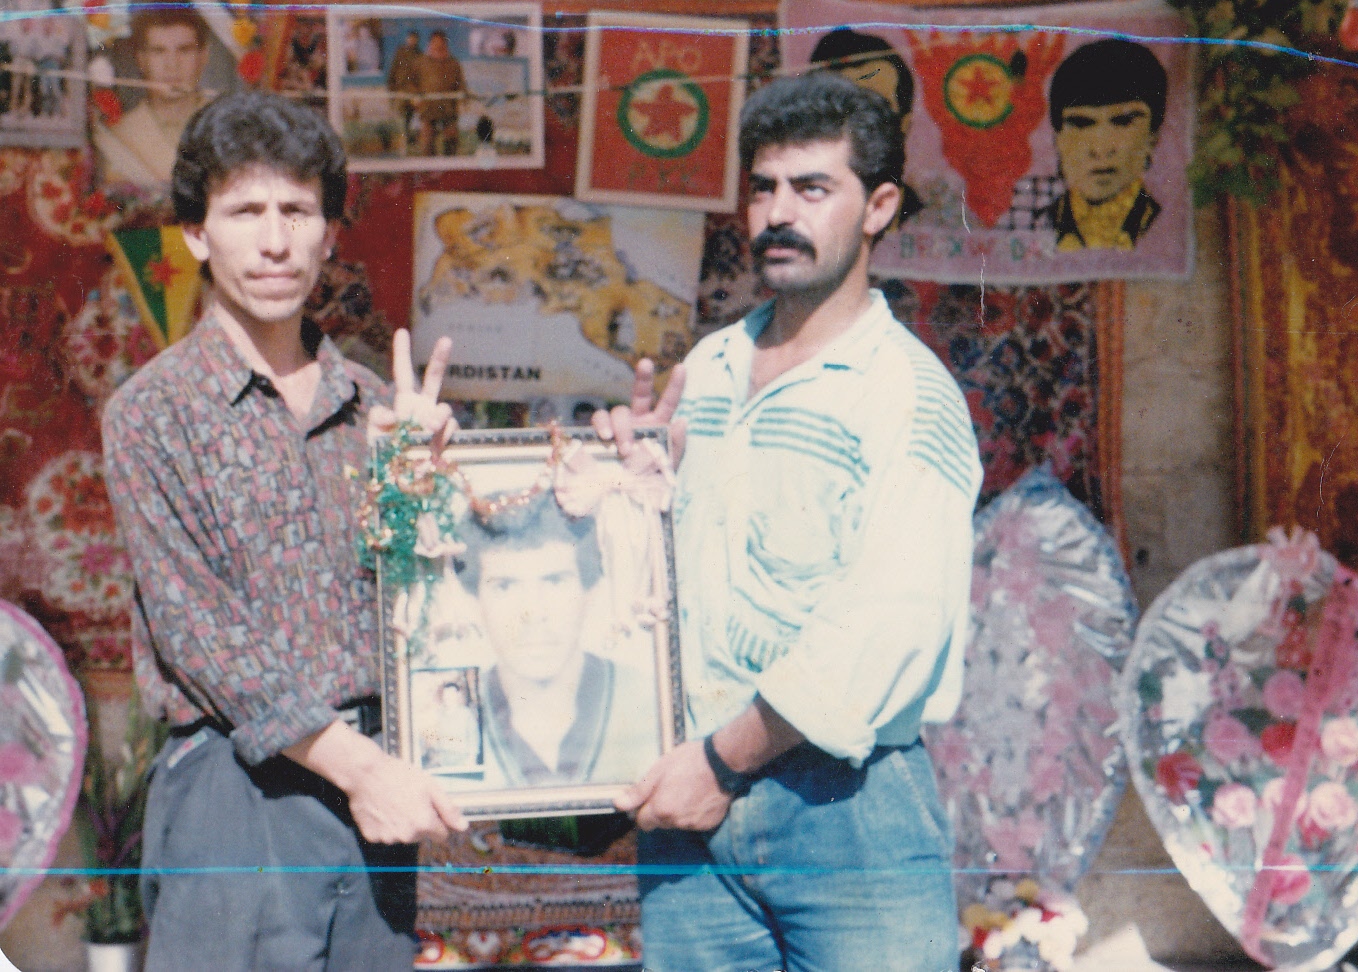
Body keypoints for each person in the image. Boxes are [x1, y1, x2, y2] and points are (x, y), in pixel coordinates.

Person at [595, 73, 980, 971]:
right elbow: (658, 593)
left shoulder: (906, 395)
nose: (778, 214)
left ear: (879, 207)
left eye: (813, 189)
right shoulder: (709, 370)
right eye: (764, 188)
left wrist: (721, 765)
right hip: (694, 818)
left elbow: (885, 626)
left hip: (846, 814)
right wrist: (630, 499)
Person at [101, 89, 467, 971]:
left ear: (330, 233)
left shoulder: (377, 407)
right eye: (245, 212)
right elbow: (201, 632)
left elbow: (422, 613)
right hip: (235, 794)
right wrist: (362, 771)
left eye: (298, 211)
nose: (275, 241)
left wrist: (423, 492)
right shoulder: (153, 412)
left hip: (375, 795)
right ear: (197, 233)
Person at [460, 498, 657, 788]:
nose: (533, 613)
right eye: (505, 586)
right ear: (475, 603)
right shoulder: (447, 712)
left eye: (555, 582)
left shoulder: (649, 699)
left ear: (589, 592)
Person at [1042, 38, 1168, 251]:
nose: (1101, 150)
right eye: (1081, 124)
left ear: (1153, 136)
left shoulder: (1165, 226)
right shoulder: (1041, 223)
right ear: (1057, 139)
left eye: (1123, 122)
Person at [809, 27, 924, 226]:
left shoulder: (929, 220)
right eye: (836, 110)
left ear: (904, 126)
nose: (856, 128)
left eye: (876, 109)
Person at [92, 6, 212, 188]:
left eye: (184, 50)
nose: (172, 65)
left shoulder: (229, 125)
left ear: (203, 56)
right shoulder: (119, 134)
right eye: (158, 51)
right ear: (141, 59)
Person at [415, 30, 464, 157]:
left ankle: (449, 167)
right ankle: (429, 168)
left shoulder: (453, 63)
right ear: (430, 44)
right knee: (427, 143)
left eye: (441, 43)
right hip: (428, 108)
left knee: (451, 140)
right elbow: (411, 83)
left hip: (448, 108)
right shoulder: (421, 62)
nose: (438, 45)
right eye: (435, 42)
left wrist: (463, 100)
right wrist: (414, 98)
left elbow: (461, 84)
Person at [386, 29, 423, 151]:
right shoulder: (400, 52)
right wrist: (392, 89)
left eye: (414, 38)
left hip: (413, 92)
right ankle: (401, 143)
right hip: (400, 90)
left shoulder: (419, 54)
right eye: (410, 38)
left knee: (412, 117)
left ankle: (410, 142)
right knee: (401, 117)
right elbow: (393, 70)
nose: (412, 40)